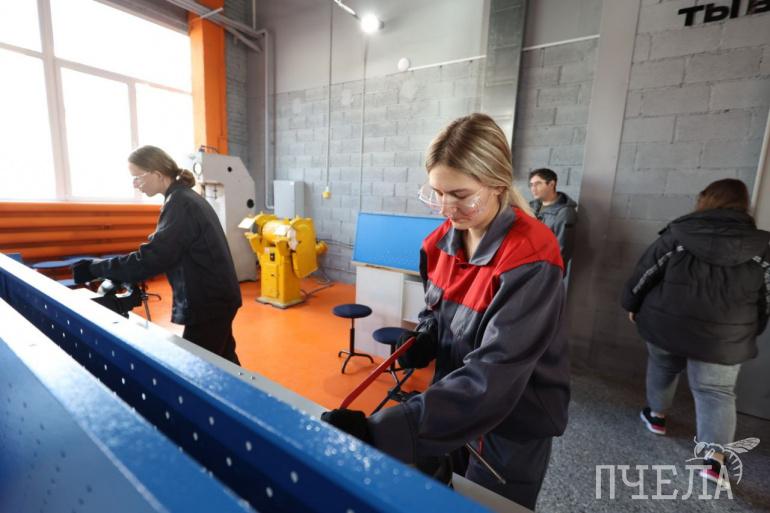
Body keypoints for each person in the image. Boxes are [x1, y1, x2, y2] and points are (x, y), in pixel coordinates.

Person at [322, 113, 570, 509]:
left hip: (511, 423)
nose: (446, 208)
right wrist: (426, 336)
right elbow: (437, 312)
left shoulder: (531, 258)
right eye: (438, 193)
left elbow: (494, 376)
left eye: (460, 195)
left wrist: (380, 432)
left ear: (498, 184)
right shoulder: (439, 244)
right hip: (451, 405)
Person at [621, 178, 769, 490]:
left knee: (663, 368)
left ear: (705, 200)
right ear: (744, 205)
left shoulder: (678, 233)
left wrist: (631, 304)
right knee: (716, 393)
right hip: (725, 336)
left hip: (667, 324)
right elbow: (767, 296)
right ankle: (714, 462)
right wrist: (755, 326)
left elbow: (646, 272)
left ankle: (657, 417)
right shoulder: (763, 246)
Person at [72, 145, 243, 365]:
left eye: (137, 177)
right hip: (216, 296)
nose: (135, 184)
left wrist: (95, 268)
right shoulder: (182, 198)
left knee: (200, 369)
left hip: (209, 301)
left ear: (157, 174)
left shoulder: (181, 204)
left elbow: (152, 258)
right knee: (225, 362)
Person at [528, 168, 578, 269]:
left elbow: (562, 251)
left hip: (544, 270)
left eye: (538, 184)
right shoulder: (532, 206)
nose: (533, 188)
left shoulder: (564, 213)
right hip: (526, 265)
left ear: (551, 184)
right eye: (531, 185)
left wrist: (547, 273)